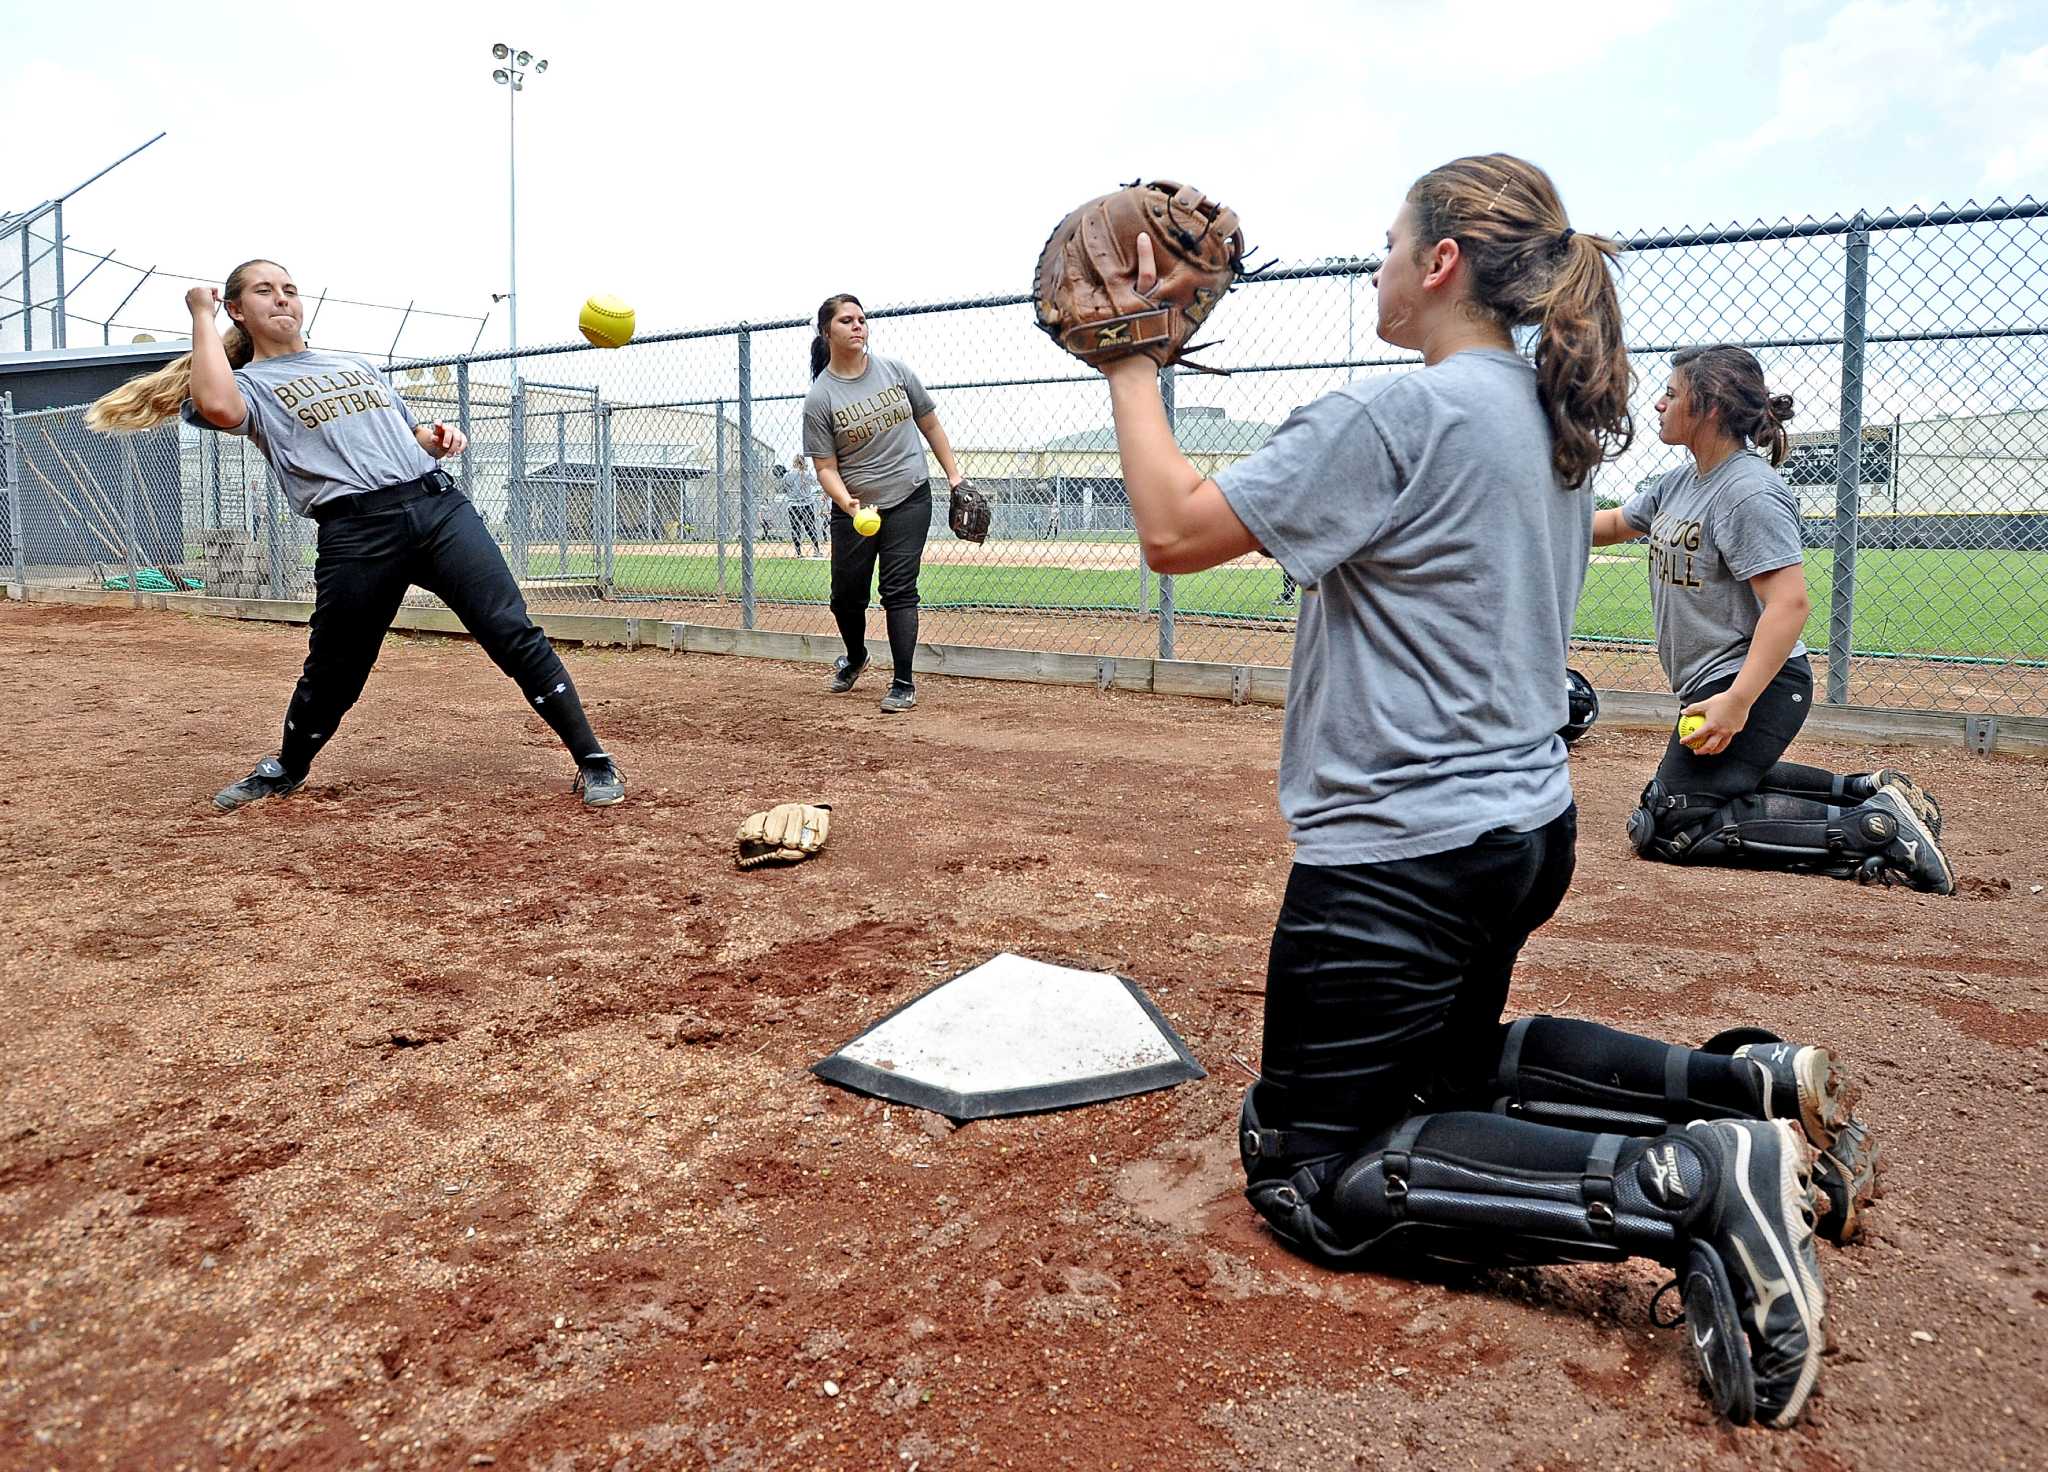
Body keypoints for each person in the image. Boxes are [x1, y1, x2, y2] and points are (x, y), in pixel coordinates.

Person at [1097, 155, 1867, 1428]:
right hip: (1514, 831)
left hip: (1401, 856)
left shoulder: (1398, 412)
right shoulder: (1543, 414)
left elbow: (1172, 531)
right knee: (1445, 1081)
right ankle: (1747, 1091)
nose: (1379, 263)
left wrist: (1131, 361)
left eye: (1392, 242)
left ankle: (1691, 1181)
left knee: (1307, 1169)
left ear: (1442, 263)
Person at [85, 260, 626, 811]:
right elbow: (218, 406)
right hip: (356, 531)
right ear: (237, 310)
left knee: (510, 630)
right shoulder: (247, 385)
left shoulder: (352, 363)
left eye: (291, 291)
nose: (282, 300)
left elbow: (408, 432)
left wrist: (435, 439)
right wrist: (200, 314)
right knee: (336, 665)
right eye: (264, 292)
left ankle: (592, 758)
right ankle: (287, 767)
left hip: (437, 508)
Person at [1599, 346, 1952, 893]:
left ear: (1709, 406)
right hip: (1723, 680)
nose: (1658, 404)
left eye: (1671, 393)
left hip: (1757, 683)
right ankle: (1867, 791)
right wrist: (1533, 513)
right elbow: (1618, 522)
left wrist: (1737, 702)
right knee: (1712, 791)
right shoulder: (1681, 481)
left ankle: (1876, 831)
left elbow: (1789, 604)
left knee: (1668, 825)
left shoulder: (1747, 492)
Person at [802, 293, 968, 713]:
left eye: (861, 319)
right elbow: (825, 467)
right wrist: (848, 504)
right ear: (827, 332)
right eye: (846, 320)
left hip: (910, 494)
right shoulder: (820, 398)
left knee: (899, 590)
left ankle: (903, 681)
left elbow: (929, 423)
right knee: (845, 597)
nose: (858, 325)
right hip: (856, 508)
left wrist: (954, 476)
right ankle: (856, 656)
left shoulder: (895, 371)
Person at [787, 454, 826, 557]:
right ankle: (816, 550)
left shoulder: (789, 474)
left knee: (796, 528)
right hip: (807, 504)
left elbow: (785, 485)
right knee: (810, 528)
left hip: (793, 505)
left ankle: (798, 553)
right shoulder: (807, 474)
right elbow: (816, 483)